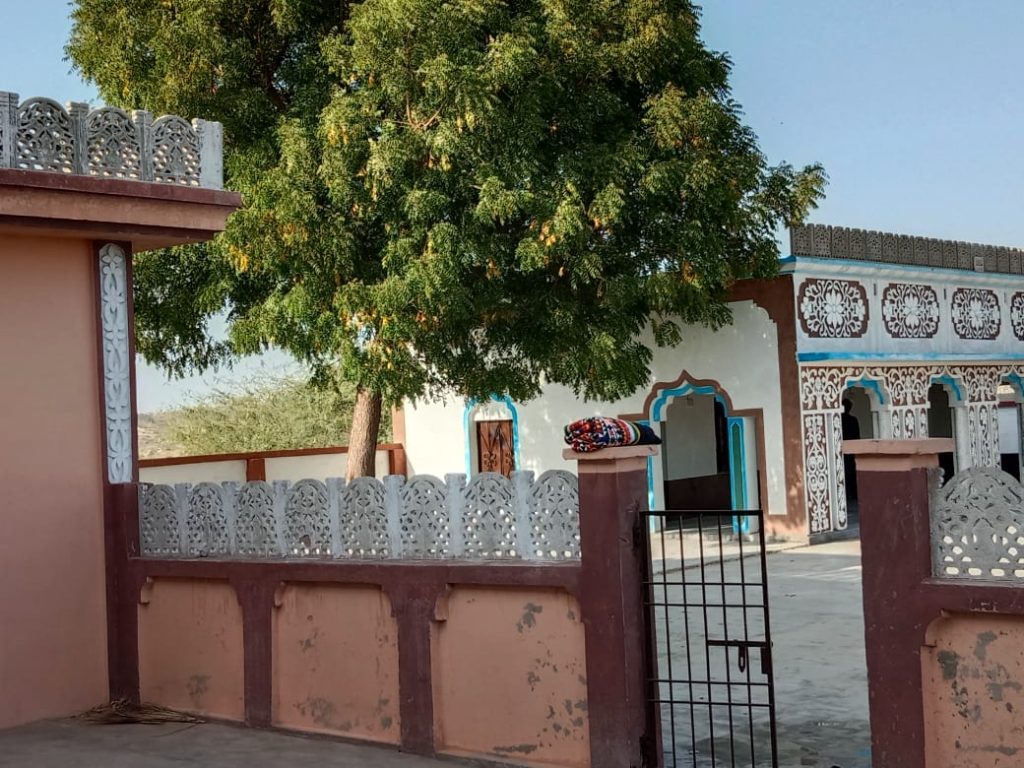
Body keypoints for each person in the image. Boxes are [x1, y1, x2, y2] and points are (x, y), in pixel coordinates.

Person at [841, 398, 861, 501]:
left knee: (844, 472)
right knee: (850, 472)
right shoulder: (853, 420)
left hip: (842, 451)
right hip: (852, 450)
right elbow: (857, 436)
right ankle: (851, 494)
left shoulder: (839, 420)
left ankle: (846, 494)